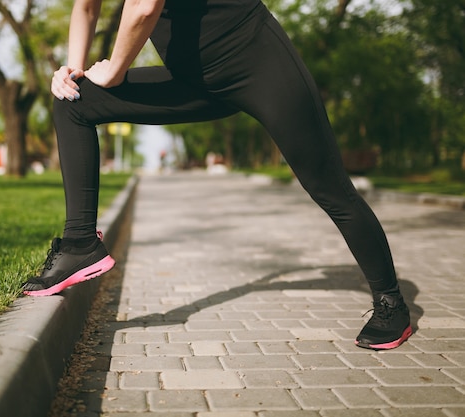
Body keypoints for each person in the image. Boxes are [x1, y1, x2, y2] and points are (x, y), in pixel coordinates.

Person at [22, 0, 412, 350]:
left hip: (258, 64)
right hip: (194, 82)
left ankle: (391, 301)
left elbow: (143, 7)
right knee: (72, 103)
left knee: (331, 190)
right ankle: (79, 245)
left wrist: (115, 70)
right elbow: (86, 7)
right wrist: (72, 71)